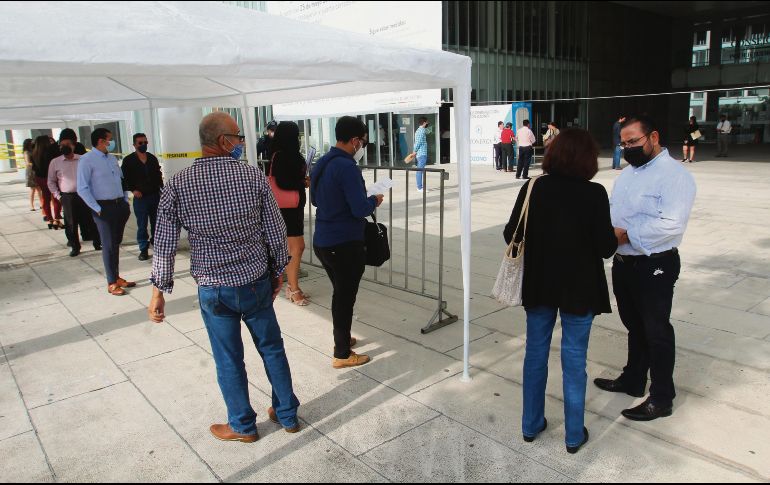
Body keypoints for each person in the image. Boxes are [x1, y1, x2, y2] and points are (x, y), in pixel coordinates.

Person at [149, 112, 299, 443]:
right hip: (255, 281)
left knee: (228, 358)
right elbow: (276, 231)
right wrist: (278, 272)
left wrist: (159, 291)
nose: (242, 142)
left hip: (214, 288)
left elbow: (164, 242)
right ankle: (287, 413)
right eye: (238, 136)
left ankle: (243, 426)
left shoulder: (178, 183)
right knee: (272, 349)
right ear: (223, 141)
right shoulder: (252, 176)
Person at [504, 128, 617, 454]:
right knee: (574, 359)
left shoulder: (533, 187)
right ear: (588, 159)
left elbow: (511, 233)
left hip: (539, 284)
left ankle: (530, 424)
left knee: (535, 354)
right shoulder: (594, 193)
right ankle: (573, 434)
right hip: (580, 288)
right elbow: (606, 247)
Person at [595, 115, 696, 422]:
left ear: (653, 137)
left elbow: (672, 224)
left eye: (633, 142)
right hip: (624, 261)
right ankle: (633, 378)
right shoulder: (627, 175)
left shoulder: (674, 175)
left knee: (656, 329)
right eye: (623, 144)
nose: (628, 148)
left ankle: (662, 397)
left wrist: (626, 234)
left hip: (655, 263)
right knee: (634, 325)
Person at [311, 116, 384, 369]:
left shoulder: (323, 162)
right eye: (363, 142)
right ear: (354, 140)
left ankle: (343, 337)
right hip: (343, 243)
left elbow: (315, 200)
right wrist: (374, 200)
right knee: (344, 298)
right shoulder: (347, 167)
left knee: (341, 293)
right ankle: (341, 353)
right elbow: (359, 208)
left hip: (323, 240)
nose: (362, 146)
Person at [77, 128, 135, 296]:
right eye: (109, 139)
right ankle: (111, 282)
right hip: (103, 208)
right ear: (101, 141)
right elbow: (82, 188)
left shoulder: (111, 158)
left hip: (119, 205)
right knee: (108, 245)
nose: (112, 142)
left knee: (115, 243)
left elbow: (120, 180)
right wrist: (97, 208)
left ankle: (116, 276)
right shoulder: (87, 160)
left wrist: (125, 200)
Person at [268, 121, 311, 306]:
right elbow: (284, 182)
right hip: (288, 209)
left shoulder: (283, 154)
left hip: (292, 207)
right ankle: (293, 289)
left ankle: (293, 287)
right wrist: (302, 182)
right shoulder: (282, 156)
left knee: (294, 248)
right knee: (297, 248)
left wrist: (301, 180)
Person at [47, 136, 101, 257]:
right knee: (71, 223)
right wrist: (58, 196)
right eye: (62, 145)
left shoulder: (83, 159)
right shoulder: (55, 162)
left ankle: (97, 242)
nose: (65, 147)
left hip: (85, 194)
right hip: (68, 196)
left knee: (91, 219)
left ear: (73, 146)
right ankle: (75, 247)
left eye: (67, 144)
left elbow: (93, 175)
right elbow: (51, 181)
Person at [121, 133, 164, 261]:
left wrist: (162, 190)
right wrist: (133, 190)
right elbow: (125, 178)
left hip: (155, 196)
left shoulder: (152, 158)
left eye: (145, 142)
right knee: (142, 224)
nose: (143, 145)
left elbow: (158, 175)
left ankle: (157, 244)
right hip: (140, 198)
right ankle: (143, 248)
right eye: (140, 143)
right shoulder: (128, 160)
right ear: (134, 145)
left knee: (157, 223)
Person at [31, 135, 63, 230]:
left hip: (40, 178)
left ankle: (49, 219)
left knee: (46, 198)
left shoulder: (34, 153)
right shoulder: (50, 151)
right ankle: (57, 219)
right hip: (51, 177)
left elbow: (33, 167)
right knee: (56, 197)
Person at [411, 117, 429, 191]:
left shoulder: (421, 130)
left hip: (421, 153)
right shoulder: (421, 131)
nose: (428, 123)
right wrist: (414, 151)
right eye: (427, 122)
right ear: (424, 123)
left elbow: (428, 131)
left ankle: (420, 186)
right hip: (421, 153)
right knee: (420, 170)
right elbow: (418, 142)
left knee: (420, 170)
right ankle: (419, 187)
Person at [23, 138, 41, 212]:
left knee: (39, 188)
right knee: (33, 189)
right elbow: (28, 162)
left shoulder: (33, 150)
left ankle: (41, 203)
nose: (33, 143)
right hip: (31, 171)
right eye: (32, 142)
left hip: (36, 170)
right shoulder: (26, 152)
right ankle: (31, 205)